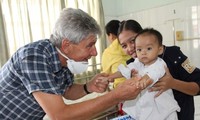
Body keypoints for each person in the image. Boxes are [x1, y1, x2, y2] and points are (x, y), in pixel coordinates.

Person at [0, 8, 142, 120]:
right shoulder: (33, 57)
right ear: (67, 45)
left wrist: (88, 87)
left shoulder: (64, 60)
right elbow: (60, 115)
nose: (95, 53)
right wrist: (116, 96)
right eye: (90, 45)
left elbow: (66, 91)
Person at [117, 19, 200, 120]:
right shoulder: (132, 65)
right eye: (124, 46)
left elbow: (198, 86)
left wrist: (173, 83)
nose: (130, 48)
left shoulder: (173, 55)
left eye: (132, 41)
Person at [109, 28, 180, 120]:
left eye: (149, 48)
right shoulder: (137, 62)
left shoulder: (160, 64)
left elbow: (153, 74)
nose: (143, 52)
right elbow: (125, 70)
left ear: (160, 49)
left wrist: (144, 81)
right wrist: (110, 77)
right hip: (146, 110)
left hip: (163, 111)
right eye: (139, 49)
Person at [102, 20, 131, 89]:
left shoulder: (108, 52)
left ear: (111, 35)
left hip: (121, 88)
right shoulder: (132, 45)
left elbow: (105, 74)